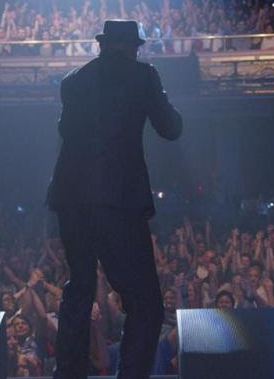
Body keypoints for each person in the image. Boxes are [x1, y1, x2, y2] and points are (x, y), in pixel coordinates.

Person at [47, 19, 183, 379]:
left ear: (104, 44)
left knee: (79, 287)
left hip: (69, 196)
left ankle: (68, 374)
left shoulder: (72, 81)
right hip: (117, 198)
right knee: (146, 303)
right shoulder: (143, 76)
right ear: (130, 47)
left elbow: (65, 130)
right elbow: (171, 128)